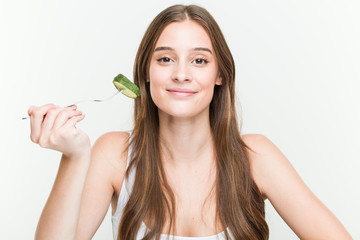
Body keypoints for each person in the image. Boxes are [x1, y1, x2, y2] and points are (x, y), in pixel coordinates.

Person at [27, 4, 352, 240]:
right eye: (165, 58)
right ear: (145, 74)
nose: (181, 74)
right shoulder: (114, 154)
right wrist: (74, 157)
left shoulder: (256, 157)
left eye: (199, 60)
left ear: (220, 74)